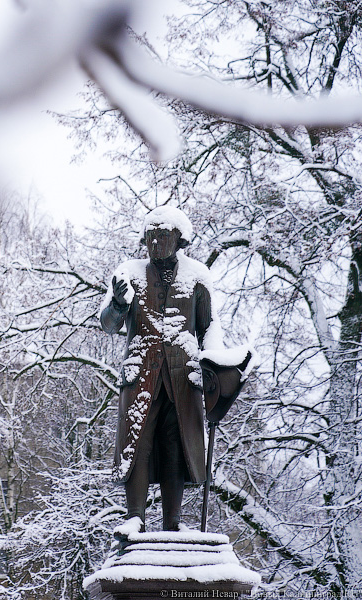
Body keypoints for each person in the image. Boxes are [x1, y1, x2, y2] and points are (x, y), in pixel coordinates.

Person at [98, 206, 222, 533]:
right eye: (151, 237)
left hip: (183, 378)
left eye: (163, 236)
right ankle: (134, 518)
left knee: (175, 447)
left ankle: (173, 524)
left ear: (179, 239)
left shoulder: (197, 276)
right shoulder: (130, 273)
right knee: (136, 443)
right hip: (141, 373)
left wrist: (215, 370)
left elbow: (209, 330)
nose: (156, 243)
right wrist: (119, 305)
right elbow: (108, 324)